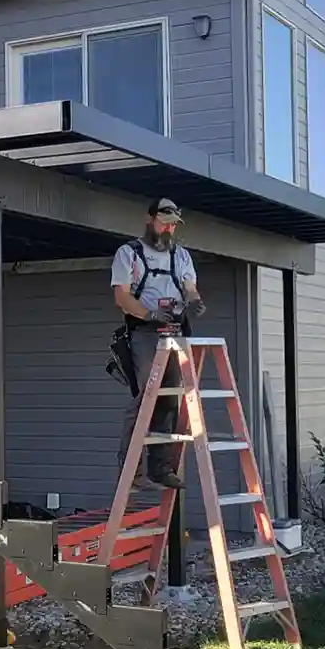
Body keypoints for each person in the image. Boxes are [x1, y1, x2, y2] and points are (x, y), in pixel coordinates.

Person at [109, 198, 205, 490]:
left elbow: (189, 288)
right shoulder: (129, 254)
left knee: (169, 398)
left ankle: (160, 468)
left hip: (174, 330)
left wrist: (195, 301)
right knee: (146, 398)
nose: (168, 228)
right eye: (164, 222)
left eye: (173, 223)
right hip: (145, 332)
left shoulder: (182, 256)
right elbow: (121, 297)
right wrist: (149, 313)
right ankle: (131, 469)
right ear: (151, 219)